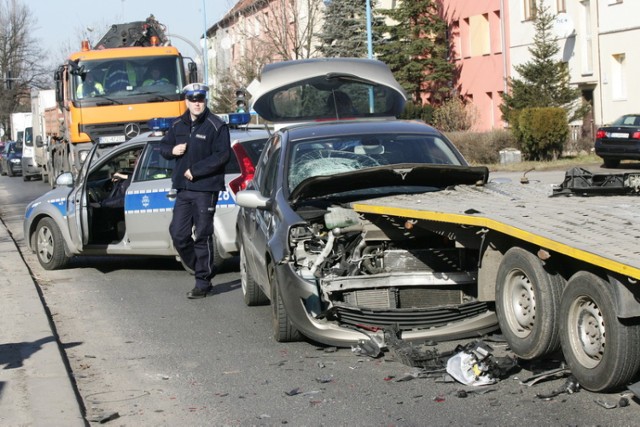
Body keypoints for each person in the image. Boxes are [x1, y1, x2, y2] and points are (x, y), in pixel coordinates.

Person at [160, 83, 231, 299]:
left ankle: (203, 282)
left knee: (202, 234)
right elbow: (163, 148)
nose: (197, 103)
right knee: (178, 234)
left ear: (205, 100)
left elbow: (222, 156)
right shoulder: (177, 125)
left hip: (205, 188)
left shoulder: (216, 125)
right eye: (192, 99)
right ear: (186, 101)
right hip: (183, 189)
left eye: (200, 98)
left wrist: (197, 170)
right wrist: (172, 150)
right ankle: (203, 267)